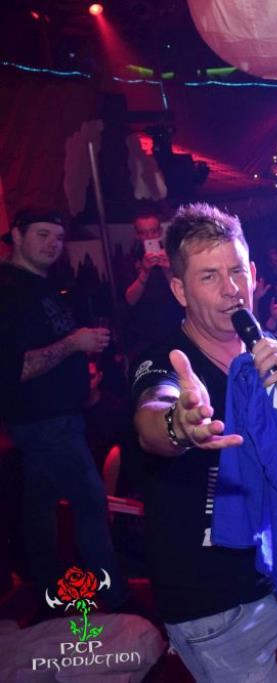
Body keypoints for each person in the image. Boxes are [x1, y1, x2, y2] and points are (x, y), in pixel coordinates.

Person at [128, 203, 277, 682]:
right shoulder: (167, 360)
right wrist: (180, 424)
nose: (231, 289)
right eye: (209, 277)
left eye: (237, 271)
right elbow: (151, 418)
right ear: (179, 290)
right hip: (213, 605)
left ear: (255, 275)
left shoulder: (267, 347)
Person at [0, 208, 127, 610]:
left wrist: (82, 362)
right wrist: (74, 344)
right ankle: (115, 600)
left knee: (40, 512)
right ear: (16, 236)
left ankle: (48, 598)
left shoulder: (44, 285)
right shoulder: (8, 290)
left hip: (58, 417)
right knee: (90, 503)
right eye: (42, 234)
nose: (52, 244)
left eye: (57, 237)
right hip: (44, 421)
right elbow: (14, 368)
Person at [122, 212, 183, 356]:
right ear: (137, 235)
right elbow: (130, 299)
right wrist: (145, 272)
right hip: (143, 335)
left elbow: (184, 296)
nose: (149, 237)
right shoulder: (128, 260)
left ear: (160, 232)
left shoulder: (174, 256)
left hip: (173, 328)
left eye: (154, 231)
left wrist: (168, 271)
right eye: (144, 233)